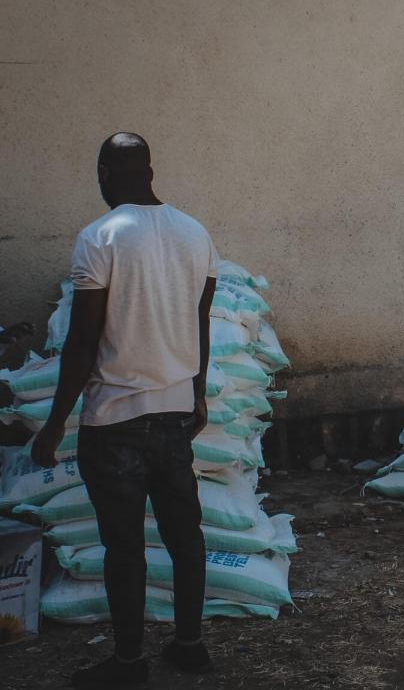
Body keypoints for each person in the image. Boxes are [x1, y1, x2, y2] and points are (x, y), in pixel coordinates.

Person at [30, 133, 219, 689]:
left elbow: (83, 342)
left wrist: (54, 423)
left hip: (114, 423)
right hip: (175, 417)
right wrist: (198, 393)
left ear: (106, 172)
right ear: (152, 170)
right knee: (187, 539)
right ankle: (190, 647)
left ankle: (130, 662)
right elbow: (199, 325)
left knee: (124, 549)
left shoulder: (100, 237)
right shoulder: (196, 233)